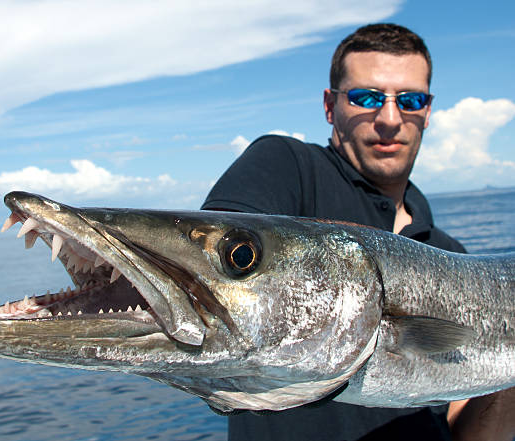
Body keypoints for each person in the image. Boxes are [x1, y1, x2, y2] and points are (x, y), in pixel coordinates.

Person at [202, 23, 515, 441]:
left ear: (427, 110)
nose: (389, 118)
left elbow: (471, 431)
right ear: (331, 107)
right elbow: (213, 278)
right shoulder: (288, 167)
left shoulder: (450, 252)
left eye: (410, 100)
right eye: (366, 97)